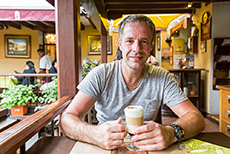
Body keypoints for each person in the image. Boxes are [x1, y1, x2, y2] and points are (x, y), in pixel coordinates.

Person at [60, 15, 205, 151]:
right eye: (129, 41)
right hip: (105, 148)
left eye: (144, 41)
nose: (136, 49)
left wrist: (171, 132)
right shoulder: (101, 75)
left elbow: (196, 118)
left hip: (146, 148)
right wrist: (95, 134)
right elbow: (67, 119)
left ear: (151, 47)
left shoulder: (162, 77)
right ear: (120, 45)